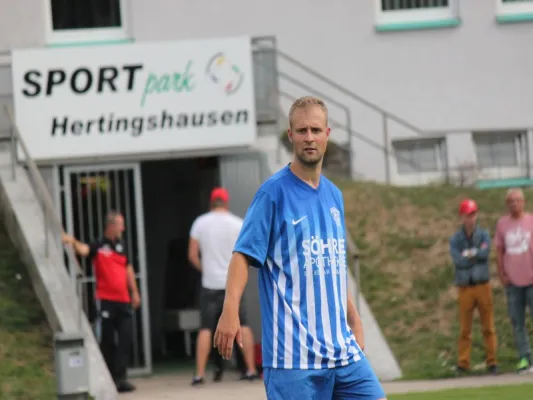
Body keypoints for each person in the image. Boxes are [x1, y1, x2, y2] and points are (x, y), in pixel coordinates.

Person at [214, 96, 387, 400]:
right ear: (290, 135)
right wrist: (230, 312)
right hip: (293, 360)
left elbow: (331, 265)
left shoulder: (334, 196)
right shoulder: (272, 194)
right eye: (303, 130)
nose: (310, 138)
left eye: (316, 130)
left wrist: (354, 317)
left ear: (327, 135)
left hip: (342, 353)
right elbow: (242, 257)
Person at [62, 211, 141, 393]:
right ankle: (110, 377)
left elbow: (128, 269)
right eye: (120, 224)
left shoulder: (122, 246)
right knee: (107, 340)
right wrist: (72, 241)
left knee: (125, 338)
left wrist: (135, 292)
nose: (123, 228)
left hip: (123, 300)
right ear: (111, 226)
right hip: (105, 300)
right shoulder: (99, 245)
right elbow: (83, 250)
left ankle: (121, 378)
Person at [188, 187, 258, 385]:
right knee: (243, 325)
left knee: (205, 329)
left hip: (209, 283)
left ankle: (199, 374)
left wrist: (206, 270)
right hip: (231, 286)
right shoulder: (237, 223)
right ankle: (251, 370)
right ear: (226, 203)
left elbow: (192, 255)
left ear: (211, 202)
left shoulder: (200, 223)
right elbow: (246, 255)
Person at [449, 199, 498, 375]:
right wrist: (474, 254)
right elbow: (458, 260)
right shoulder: (456, 239)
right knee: (465, 328)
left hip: (482, 285)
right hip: (465, 287)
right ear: (462, 217)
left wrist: (470, 254)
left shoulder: (483, 235)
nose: (471, 218)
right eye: (467, 215)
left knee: (488, 326)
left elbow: (485, 253)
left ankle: (492, 361)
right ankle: (463, 363)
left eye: (473, 214)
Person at [495, 188, 533, 373]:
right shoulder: (502, 224)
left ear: (523, 202)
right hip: (513, 282)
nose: (514, 204)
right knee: (517, 322)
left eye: (517, 200)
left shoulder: (531, 221)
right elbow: (499, 250)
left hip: (532, 279)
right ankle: (524, 358)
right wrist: (502, 273)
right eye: (510, 201)